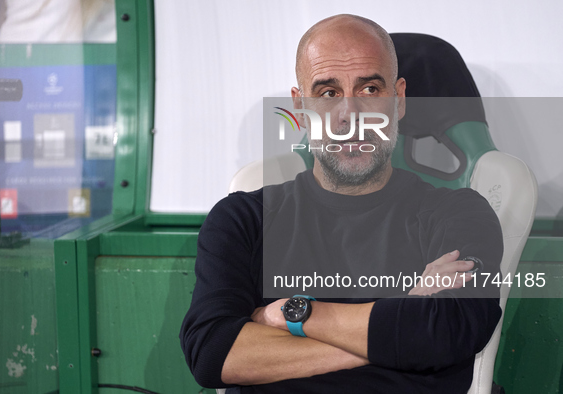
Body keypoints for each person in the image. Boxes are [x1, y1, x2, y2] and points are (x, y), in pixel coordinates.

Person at [180, 14, 502, 393]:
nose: (349, 115)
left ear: (398, 100)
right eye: (328, 93)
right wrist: (401, 323)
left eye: (369, 90)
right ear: (301, 107)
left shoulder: (460, 213)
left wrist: (291, 314)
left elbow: (449, 329)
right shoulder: (242, 219)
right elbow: (212, 353)